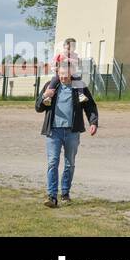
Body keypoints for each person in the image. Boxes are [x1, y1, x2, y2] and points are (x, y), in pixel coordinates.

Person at [35, 58, 98, 207]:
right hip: (53, 132)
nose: (64, 77)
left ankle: (65, 194)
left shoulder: (79, 87)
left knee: (69, 164)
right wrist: (45, 97)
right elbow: (38, 108)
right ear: (57, 72)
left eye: (66, 74)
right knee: (52, 163)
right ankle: (52, 197)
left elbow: (90, 106)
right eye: (61, 74)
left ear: (72, 73)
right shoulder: (50, 87)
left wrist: (93, 122)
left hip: (72, 132)